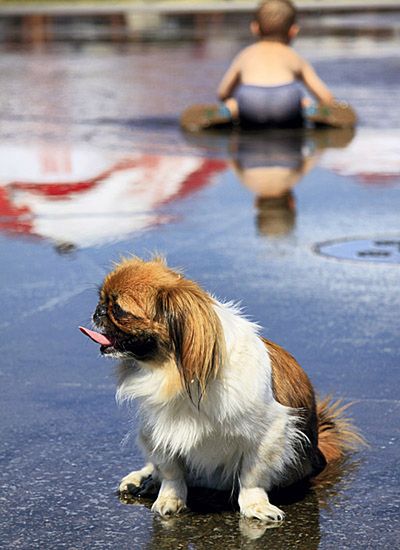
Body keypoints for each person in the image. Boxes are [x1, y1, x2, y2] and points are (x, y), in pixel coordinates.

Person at [181, 0, 356, 131]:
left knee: (235, 104)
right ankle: (307, 109)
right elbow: (325, 97)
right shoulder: (294, 57)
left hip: (250, 103)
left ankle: (227, 113)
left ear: (254, 28)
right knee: (302, 101)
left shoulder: (245, 55)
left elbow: (223, 92)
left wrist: (232, 103)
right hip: (286, 103)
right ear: (293, 31)